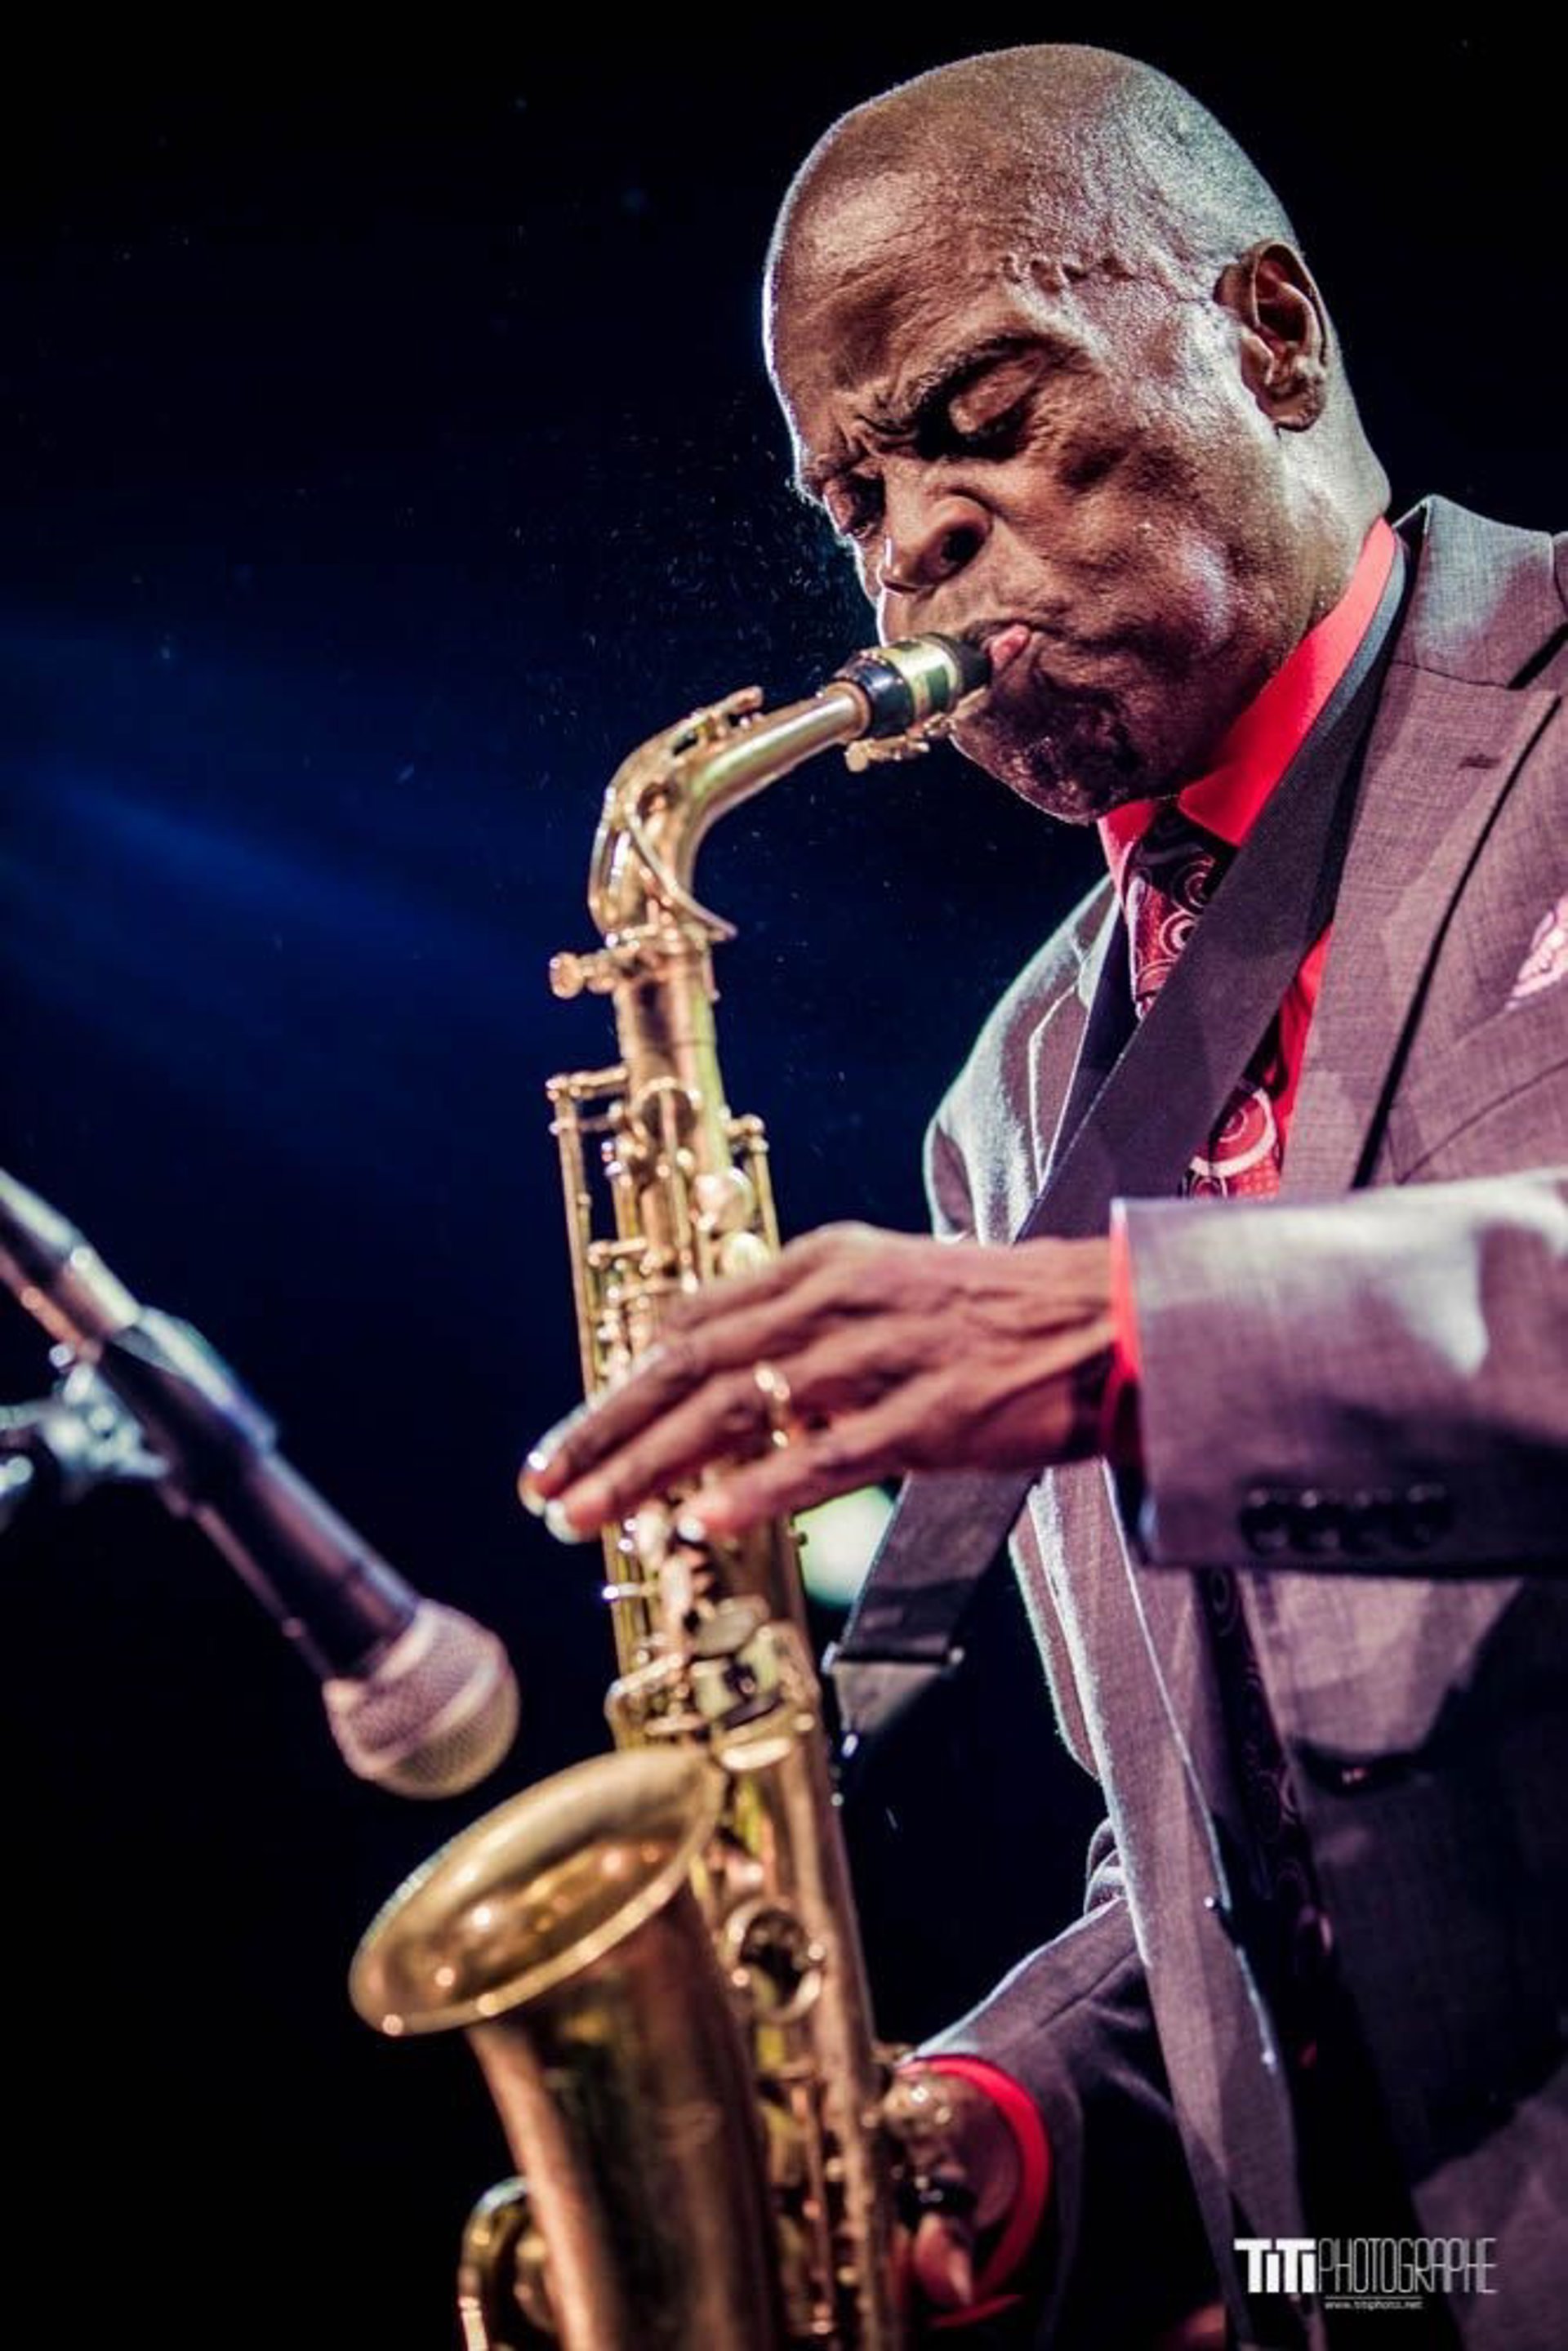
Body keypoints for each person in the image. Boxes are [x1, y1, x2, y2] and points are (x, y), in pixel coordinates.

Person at [519, 44, 1567, 2350]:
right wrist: (1017, 2118)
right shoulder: (1008, 1107)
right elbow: (1225, 1843)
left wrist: (1137, 1335)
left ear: (1267, 336)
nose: (909, 539)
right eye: (855, 494)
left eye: (980, 419)